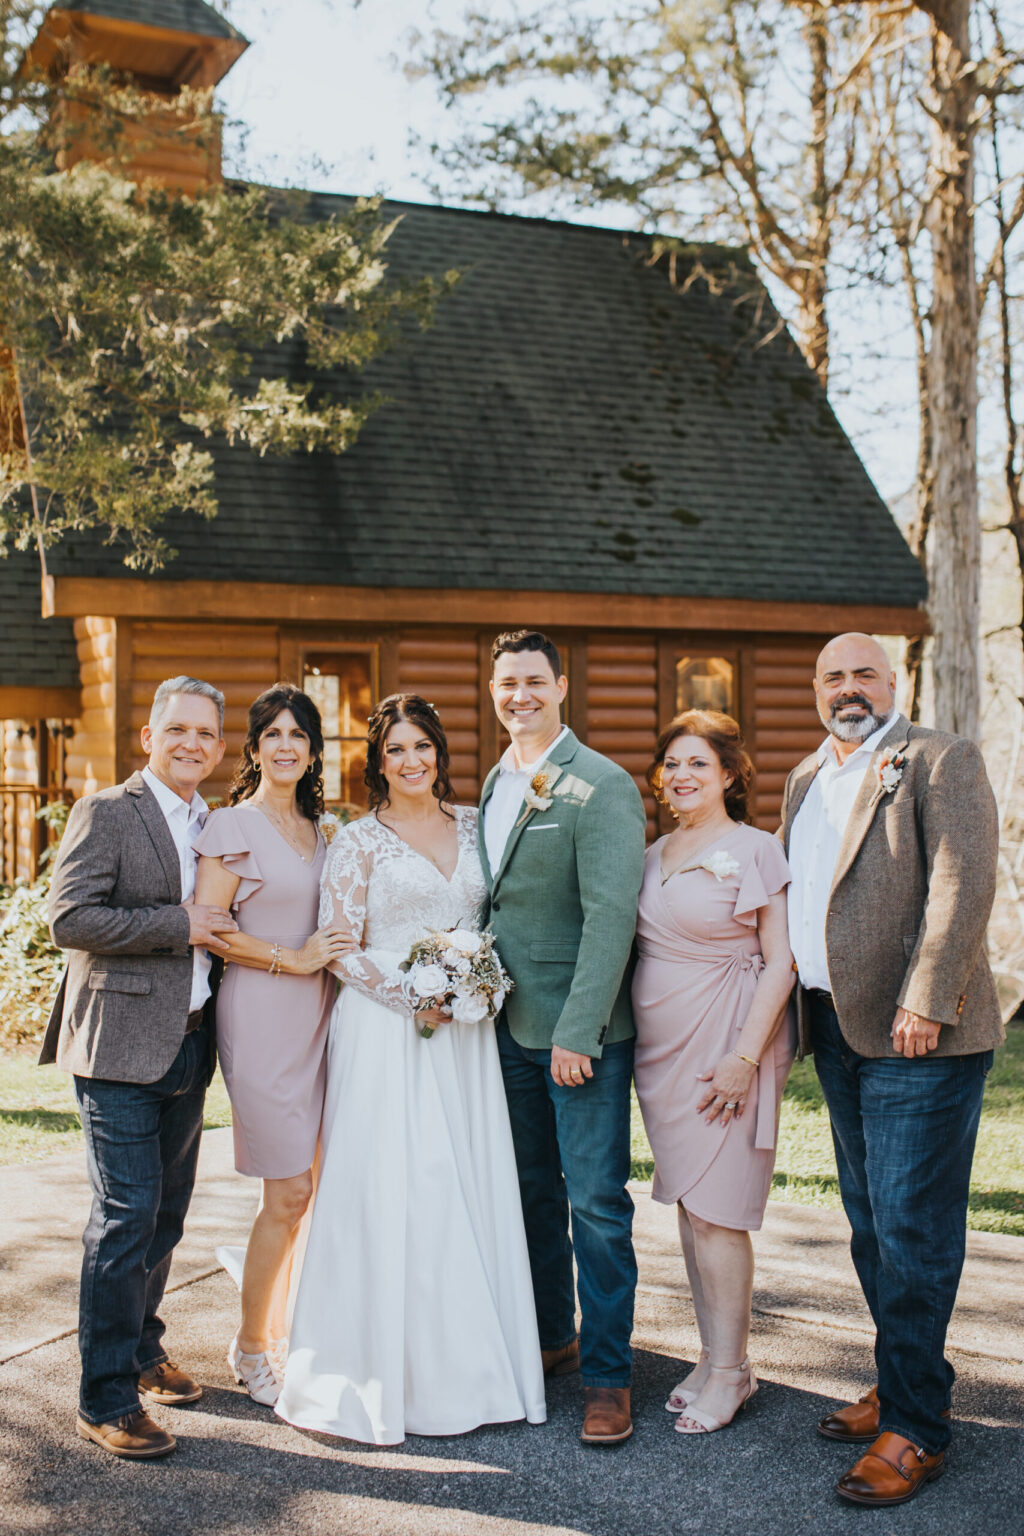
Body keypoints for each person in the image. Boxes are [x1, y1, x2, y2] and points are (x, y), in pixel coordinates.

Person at [275, 694, 545, 1444]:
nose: (411, 761)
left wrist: (469, 987)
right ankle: (386, 1363)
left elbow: (492, 924)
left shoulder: (474, 827)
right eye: (395, 750)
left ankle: (477, 1360)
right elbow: (339, 945)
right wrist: (412, 995)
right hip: (384, 1032)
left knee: (465, 1176)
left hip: (464, 1032)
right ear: (377, 761)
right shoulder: (357, 841)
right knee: (396, 1180)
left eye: (421, 746)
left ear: (439, 753)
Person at [781, 631, 1003, 1508]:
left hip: (921, 1036)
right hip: (836, 1029)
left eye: (863, 673)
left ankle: (916, 1430)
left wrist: (927, 997)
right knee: (871, 1224)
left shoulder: (940, 759)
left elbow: (962, 880)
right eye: (832, 676)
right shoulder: (807, 778)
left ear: (892, 681)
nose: (848, 688)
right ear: (816, 688)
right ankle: (903, 1380)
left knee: (912, 1230)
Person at [40, 676, 236, 1459]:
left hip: (190, 1041)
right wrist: (178, 924)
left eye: (206, 735)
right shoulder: (109, 811)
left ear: (219, 749)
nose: (192, 744)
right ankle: (104, 1397)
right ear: (149, 737)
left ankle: (142, 1348)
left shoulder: (214, 822)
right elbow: (70, 916)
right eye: (178, 729)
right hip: (118, 1046)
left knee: (165, 1216)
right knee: (123, 1220)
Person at [481, 630, 647, 1445]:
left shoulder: (601, 785)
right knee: (531, 1197)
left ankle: (610, 1379)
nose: (520, 695)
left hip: (581, 1038)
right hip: (505, 1027)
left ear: (562, 687)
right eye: (507, 682)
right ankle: (555, 1338)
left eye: (534, 682)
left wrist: (579, 1031)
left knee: (596, 1205)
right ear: (494, 690)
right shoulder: (493, 782)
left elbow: (611, 917)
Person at [632, 710, 795, 1436]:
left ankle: (731, 1372)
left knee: (721, 1211)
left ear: (729, 774)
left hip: (729, 1043)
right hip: (662, 1054)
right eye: (671, 763)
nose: (681, 775)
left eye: (698, 762)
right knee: (693, 1209)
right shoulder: (653, 851)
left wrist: (744, 1058)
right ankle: (715, 1356)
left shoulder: (756, 849)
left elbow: (781, 960)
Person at [193, 683, 346, 1407]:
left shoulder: (326, 830)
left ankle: (287, 1325)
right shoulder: (232, 826)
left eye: (299, 734)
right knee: (285, 1190)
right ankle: (251, 1344)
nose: (286, 745)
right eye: (273, 734)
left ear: (314, 751)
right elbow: (210, 925)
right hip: (260, 1015)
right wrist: (294, 960)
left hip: (324, 1017)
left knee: (313, 1187)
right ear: (254, 750)